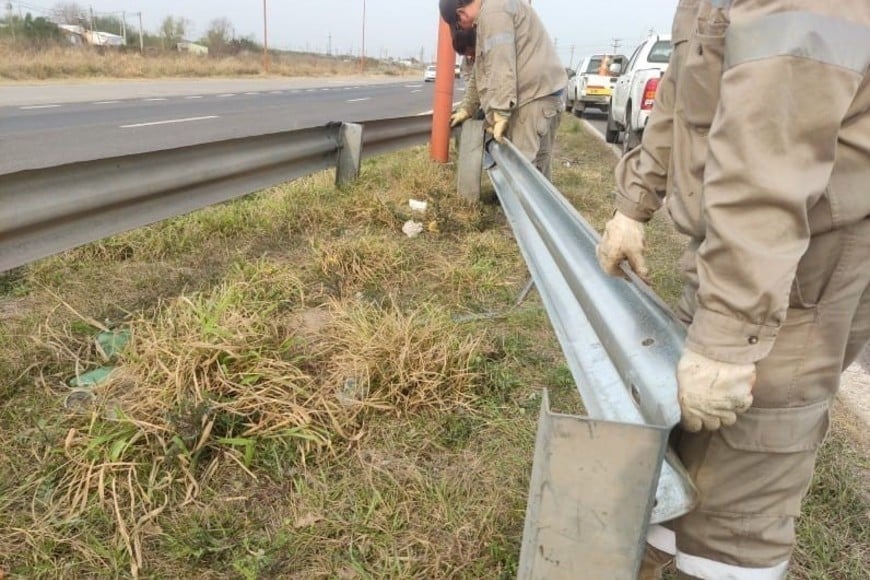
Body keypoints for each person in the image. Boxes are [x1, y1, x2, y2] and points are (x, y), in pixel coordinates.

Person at [597, 1, 870, 578]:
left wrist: (727, 333)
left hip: (802, 257)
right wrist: (634, 206)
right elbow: (683, 91)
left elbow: (774, 149)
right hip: (734, 246)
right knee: (684, 453)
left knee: (745, 485)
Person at [439, 0, 567, 181]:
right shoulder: (495, 8)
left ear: (462, 14)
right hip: (543, 93)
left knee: (522, 167)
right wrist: (468, 106)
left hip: (534, 97)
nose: (463, 28)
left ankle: (524, 208)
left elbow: (500, 63)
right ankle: (533, 207)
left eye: (459, 25)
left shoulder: (493, 13)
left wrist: (499, 111)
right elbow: (481, 68)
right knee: (538, 163)